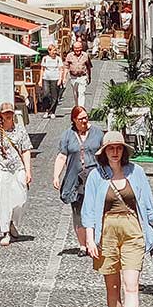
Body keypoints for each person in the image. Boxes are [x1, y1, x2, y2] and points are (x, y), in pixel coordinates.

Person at [81, 130, 153, 307]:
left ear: (124, 151)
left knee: (131, 285)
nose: (115, 152)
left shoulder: (136, 172)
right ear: (104, 152)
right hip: (106, 232)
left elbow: (149, 205)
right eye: (111, 148)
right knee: (113, 287)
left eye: (119, 148)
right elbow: (89, 210)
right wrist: (90, 238)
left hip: (132, 231)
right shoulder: (96, 177)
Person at [52, 105, 105, 254]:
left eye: (86, 117)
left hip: (95, 177)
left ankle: (94, 241)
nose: (84, 120)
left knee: (95, 209)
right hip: (76, 179)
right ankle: (83, 245)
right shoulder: (67, 135)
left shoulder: (97, 134)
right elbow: (62, 156)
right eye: (81, 118)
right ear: (74, 120)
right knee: (78, 211)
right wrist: (56, 175)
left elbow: (104, 155)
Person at [0, 102, 32, 245]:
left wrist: (28, 171)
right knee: (2, 201)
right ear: (1, 115)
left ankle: (12, 221)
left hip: (17, 167)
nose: (8, 115)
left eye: (10, 112)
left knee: (21, 198)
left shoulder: (20, 130)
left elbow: (26, 150)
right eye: (5, 113)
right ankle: (5, 231)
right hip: (0, 168)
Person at [62, 36, 93, 105]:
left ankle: (81, 108)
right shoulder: (69, 56)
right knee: (75, 93)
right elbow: (66, 67)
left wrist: (89, 77)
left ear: (81, 48)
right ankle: (77, 106)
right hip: (73, 77)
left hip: (82, 77)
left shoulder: (85, 55)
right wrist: (64, 78)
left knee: (81, 92)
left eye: (79, 48)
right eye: (75, 48)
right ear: (73, 48)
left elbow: (89, 67)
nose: (77, 50)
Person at [39, 43, 64, 119]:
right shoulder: (45, 58)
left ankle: (52, 111)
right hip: (46, 78)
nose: (54, 52)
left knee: (54, 96)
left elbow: (61, 69)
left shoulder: (58, 59)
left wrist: (60, 79)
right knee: (46, 94)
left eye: (55, 50)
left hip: (55, 78)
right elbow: (42, 69)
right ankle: (46, 110)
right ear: (49, 51)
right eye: (53, 51)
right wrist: (40, 80)